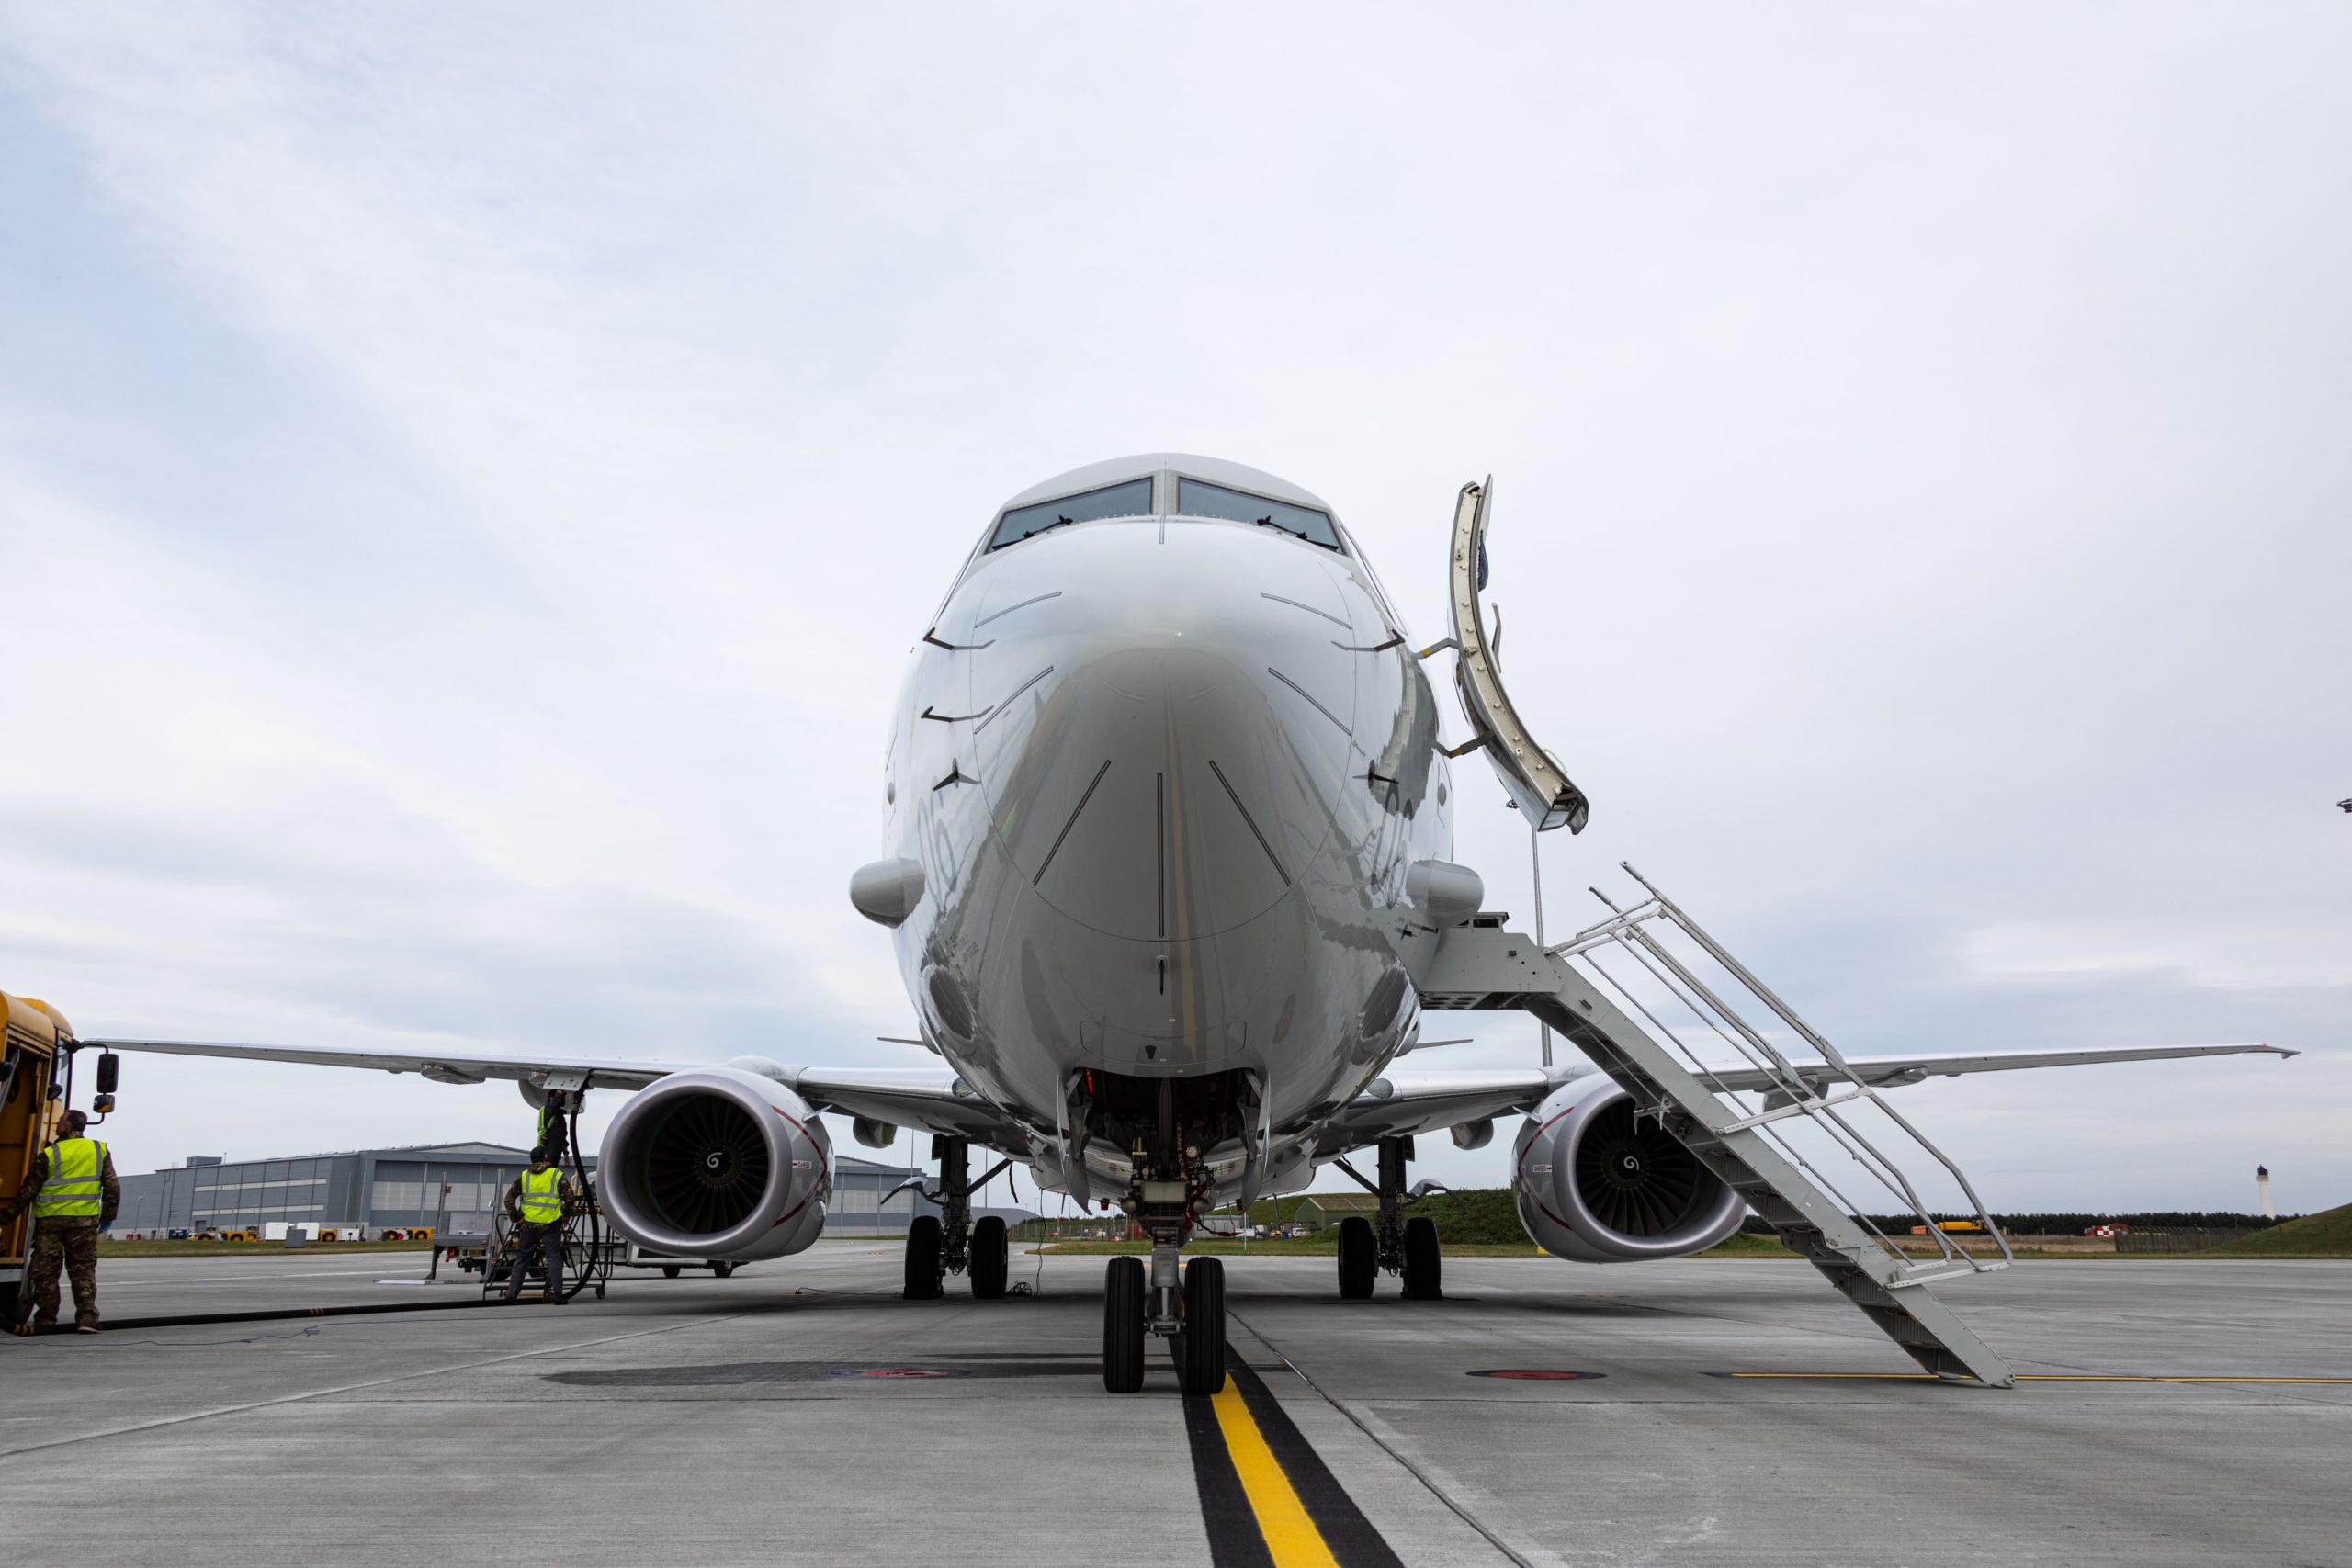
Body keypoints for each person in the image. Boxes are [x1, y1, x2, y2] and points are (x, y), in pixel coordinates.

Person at [4, 1109, 119, 1334]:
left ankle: (46, 1320)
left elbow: (28, 1191)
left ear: (66, 1127)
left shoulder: (50, 1153)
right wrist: (108, 1217)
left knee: (45, 1272)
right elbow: (112, 1186)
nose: (56, 1125)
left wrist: (7, 1218)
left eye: (58, 1122)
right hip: (84, 1222)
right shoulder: (98, 1150)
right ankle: (87, 1319)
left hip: (51, 1223)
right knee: (83, 1271)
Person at [501, 1146, 572, 1304]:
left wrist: (516, 1218)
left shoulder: (524, 1176)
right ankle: (558, 1295)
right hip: (550, 1224)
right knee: (554, 1257)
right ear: (545, 1157)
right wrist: (565, 1215)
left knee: (522, 1258)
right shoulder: (555, 1174)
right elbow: (569, 1197)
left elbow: (508, 1200)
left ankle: (511, 1295)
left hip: (528, 1224)